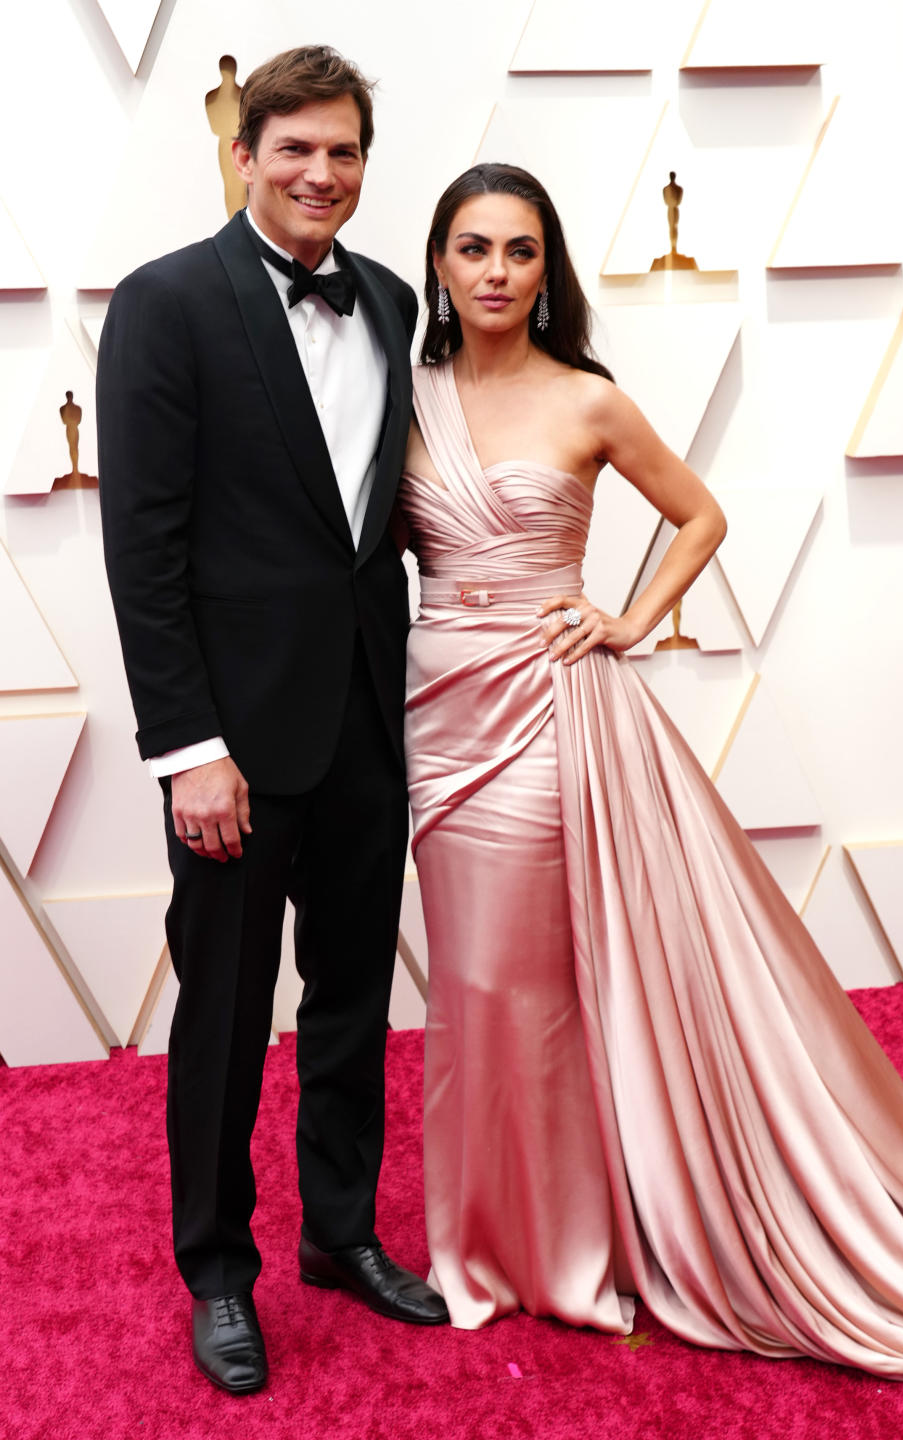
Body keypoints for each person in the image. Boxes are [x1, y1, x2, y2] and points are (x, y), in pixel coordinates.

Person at [397, 162, 903, 1378]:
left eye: (521, 253)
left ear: (549, 274)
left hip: (550, 713)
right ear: (438, 263)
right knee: (468, 986)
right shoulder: (406, 402)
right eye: (474, 249)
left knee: (536, 984)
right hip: (437, 715)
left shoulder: (588, 399)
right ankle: (479, 1239)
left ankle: (562, 1249)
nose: (496, 272)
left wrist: (628, 617)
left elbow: (700, 515)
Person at [97, 45, 447, 1398]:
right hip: (234, 748)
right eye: (293, 148)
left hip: (366, 717)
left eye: (343, 152)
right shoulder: (167, 304)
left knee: (355, 1001)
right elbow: (147, 545)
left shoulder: (390, 300)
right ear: (244, 154)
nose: (320, 173)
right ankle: (220, 1271)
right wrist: (190, 747)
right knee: (229, 1015)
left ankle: (343, 1234)